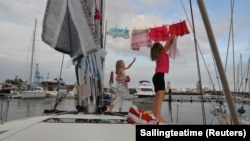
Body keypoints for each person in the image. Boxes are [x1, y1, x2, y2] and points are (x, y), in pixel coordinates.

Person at [150, 34, 176, 124]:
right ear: (160, 48)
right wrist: (173, 33)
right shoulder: (162, 52)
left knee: (157, 96)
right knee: (160, 96)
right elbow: (169, 43)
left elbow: (169, 43)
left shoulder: (158, 55)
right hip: (159, 76)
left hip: (156, 76)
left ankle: (155, 114)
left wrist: (173, 37)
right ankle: (158, 116)